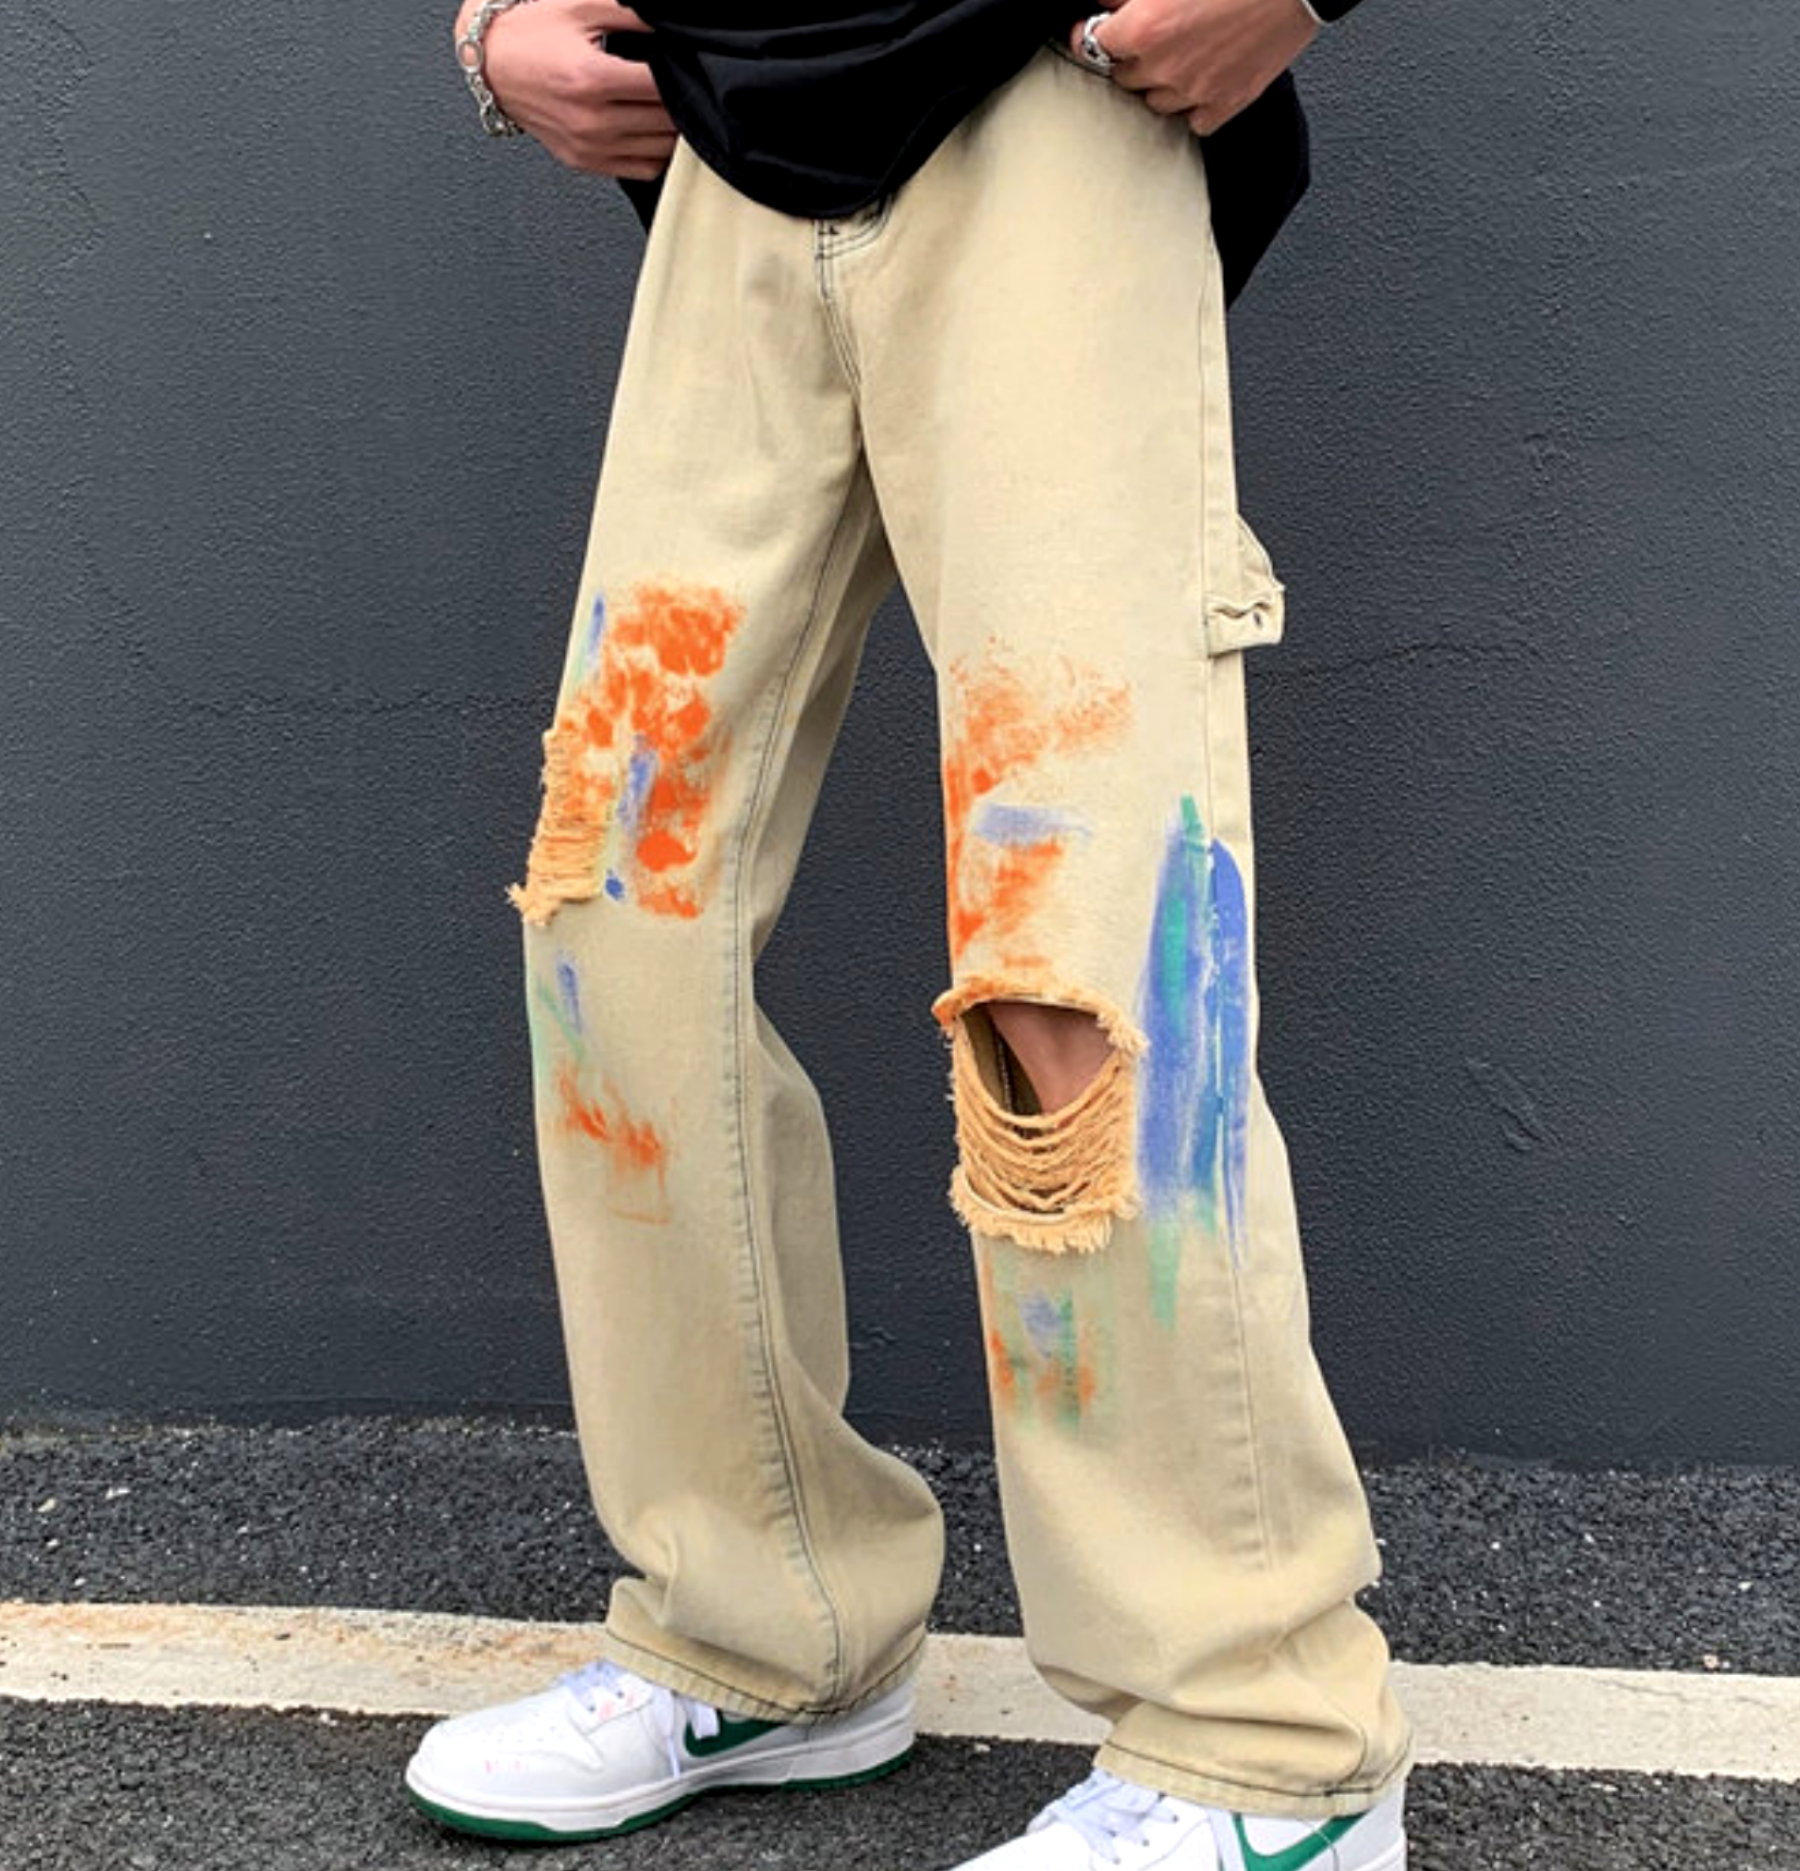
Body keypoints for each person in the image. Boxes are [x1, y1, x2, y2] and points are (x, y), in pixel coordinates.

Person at [406, 0, 1414, 1864]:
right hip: (730, 160)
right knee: (611, 908)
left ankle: (1264, 1742)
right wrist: (490, 22)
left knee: (1075, 953)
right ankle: (761, 1626)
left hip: (1050, 112)